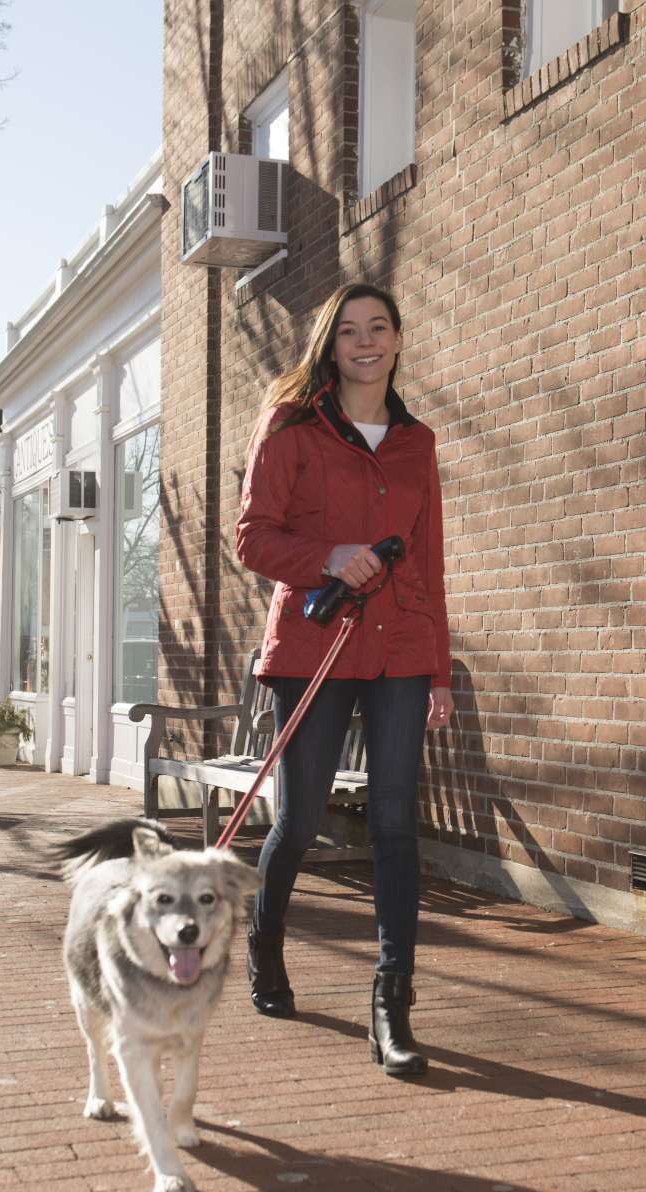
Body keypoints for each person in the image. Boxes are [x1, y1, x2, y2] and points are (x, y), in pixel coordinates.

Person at [234, 280, 454, 1078]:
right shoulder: (292, 426)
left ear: (397, 339)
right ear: (330, 344)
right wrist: (326, 557)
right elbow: (252, 537)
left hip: (399, 648)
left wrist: (438, 669)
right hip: (315, 645)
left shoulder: (417, 442)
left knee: (396, 823)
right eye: (351, 331)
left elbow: (428, 561)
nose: (366, 343)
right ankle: (265, 940)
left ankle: (392, 1005)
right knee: (299, 822)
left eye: (379, 328)